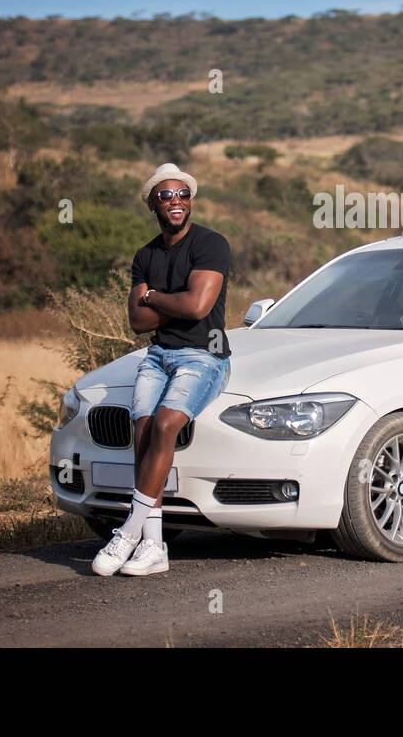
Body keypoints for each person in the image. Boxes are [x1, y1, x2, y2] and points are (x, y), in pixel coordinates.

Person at [92, 163, 232, 576]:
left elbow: (199, 307)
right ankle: (155, 548)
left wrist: (154, 295)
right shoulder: (145, 255)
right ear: (153, 202)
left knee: (167, 424)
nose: (176, 201)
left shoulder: (211, 244)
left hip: (205, 356)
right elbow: (137, 322)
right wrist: (169, 300)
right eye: (167, 196)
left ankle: (130, 530)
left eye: (183, 195)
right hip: (157, 356)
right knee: (143, 432)